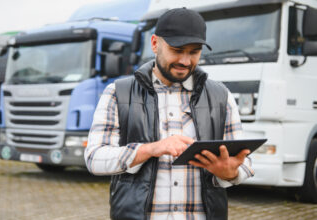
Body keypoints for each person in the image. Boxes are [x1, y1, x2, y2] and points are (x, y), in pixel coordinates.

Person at [84, 8, 254, 220]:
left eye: (194, 52)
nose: (185, 61)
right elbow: (94, 158)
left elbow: (244, 163)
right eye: (177, 49)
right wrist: (151, 149)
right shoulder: (118, 93)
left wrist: (229, 172)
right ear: (155, 44)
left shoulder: (221, 96)